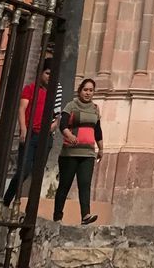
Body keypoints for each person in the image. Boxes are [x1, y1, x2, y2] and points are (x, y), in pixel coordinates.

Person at [3, 60, 57, 207]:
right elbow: (22, 108)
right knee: (24, 170)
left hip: (45, 136)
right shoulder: (30, 89)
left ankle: (30, 209)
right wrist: (23, 128)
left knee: (38, 173)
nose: (49, 77)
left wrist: (53, 126)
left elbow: (57, 114)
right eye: (47, 73)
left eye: (52, 74)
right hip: (31, 134)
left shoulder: (54, 94)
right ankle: (7, 200)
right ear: (40, 73)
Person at [53, 78, 103, 225]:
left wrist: (101, 148)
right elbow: (63, 124)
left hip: (88, 153)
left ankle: (85, 215)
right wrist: (69, 135)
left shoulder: (95, 108)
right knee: (65, 184)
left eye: (91, 90)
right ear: (80, 90)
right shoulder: (71, 105)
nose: (88, 93)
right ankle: (57, 216)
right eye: (85, 90)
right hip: (70, 152)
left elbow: (98, 130)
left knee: (85, 183)